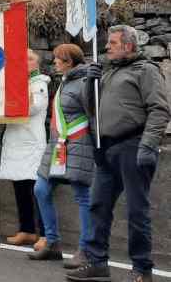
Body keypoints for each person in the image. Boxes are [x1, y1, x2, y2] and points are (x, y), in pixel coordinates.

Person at [67, 25, 170, 282]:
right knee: (98, 206)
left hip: (134, 146)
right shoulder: (108, 72)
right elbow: (91, 109)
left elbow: (159, 110)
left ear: (128, 45)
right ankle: (97, 261)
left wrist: (148, 145)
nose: (107, 47)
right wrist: (89, 83)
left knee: (137, 210)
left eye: (112, 43)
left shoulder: (146, 71)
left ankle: (142, 269)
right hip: (107, 148)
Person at [28, 44, 94, 266]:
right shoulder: (66, 81)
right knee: (41, 188)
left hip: (78, 143)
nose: (54, 61)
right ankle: (53, 242)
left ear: (70, 61)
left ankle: (86, 249)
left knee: (82, 196)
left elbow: (93, 115)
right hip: (58, 146)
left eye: (58, 58)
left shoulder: (85, 82)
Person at [0, 49, 49, 248]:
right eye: (23, 58)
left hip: (30, 144)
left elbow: (33, 107)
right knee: (19, 188)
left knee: (37, 190)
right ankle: (27, 230)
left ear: (37, 64)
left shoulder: (39, 84)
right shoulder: (18, 83)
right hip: (15, 142)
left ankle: (45, 233)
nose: (25, 62)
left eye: (30, 59)